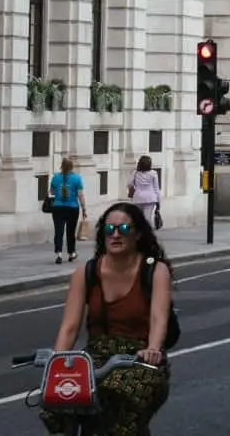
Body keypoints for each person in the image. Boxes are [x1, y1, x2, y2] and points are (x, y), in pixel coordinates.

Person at [42, 203, 171, 436]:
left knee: (122, 407)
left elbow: (158, 317)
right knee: (59, 399)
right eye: (110, 229)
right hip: (96, 357)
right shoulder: (87, 272)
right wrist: (57, 362)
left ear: (138, 233)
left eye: (123, 228)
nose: (116, 234)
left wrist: (153, 348)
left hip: (139, 358)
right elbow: (70, 327)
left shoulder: (154, 271)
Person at [48, 156, 86, 264]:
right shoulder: (77, 178)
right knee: (70, 232)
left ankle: (58, 254)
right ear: (71, 167)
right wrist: (84, 208)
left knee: (58, 231)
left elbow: (52, 192)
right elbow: (80, 195)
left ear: (61, 166)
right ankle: (71, 253)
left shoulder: (55, 178)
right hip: (72, 207)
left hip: (58, 207)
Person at [128, 156, 162, 229]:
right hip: (150, 198)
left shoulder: (135, 173)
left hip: (138, 197)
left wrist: (135, 186)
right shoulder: (153, 173)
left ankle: (139, 233)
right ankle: (146, 234)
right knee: (147, 218)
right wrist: (159, 201)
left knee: (138, 218)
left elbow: (129, 183)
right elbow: (156, 188)